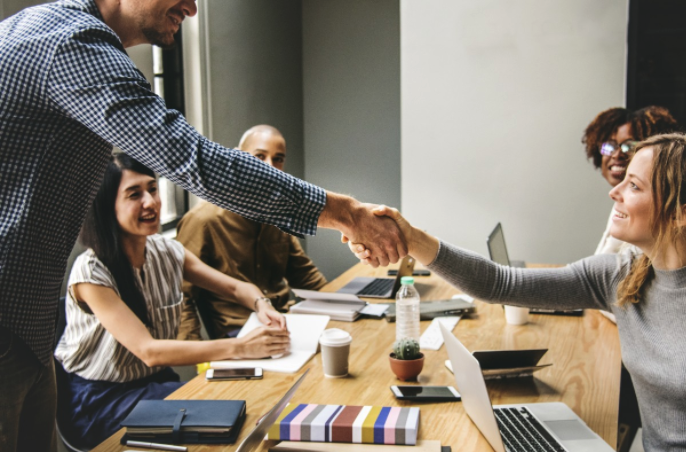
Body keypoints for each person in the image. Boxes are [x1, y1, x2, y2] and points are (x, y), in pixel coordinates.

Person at [0, 1, 404, 450]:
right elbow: (193, 160)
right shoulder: (70, 41)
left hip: (28, 329)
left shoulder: (81, 47)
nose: (193, 7)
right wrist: (346, 213)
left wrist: (258, 302)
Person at [352, 133, 686, 451]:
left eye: (635, 186)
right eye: (623, 180)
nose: (615, 192)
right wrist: (411, 238)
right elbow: (498, 283)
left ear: (680, 214)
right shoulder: (620, 274)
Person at [53, 154, 289, 448]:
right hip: (100, 401)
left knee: (246, 405)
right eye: (134, 194)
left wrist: (261, 304)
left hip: (153, 384)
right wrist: (242, 348)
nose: (150, 202)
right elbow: (149, 351)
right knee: (228, 421)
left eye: (152, 189)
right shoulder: (90, 273)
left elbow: (236, 289)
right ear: (105, 207)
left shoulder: (166, 250)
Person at [176, 125, 327, 340]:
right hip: (237, 335)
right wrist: (196, 353)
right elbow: (181, 295)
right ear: (238, 157)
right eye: (259, 156)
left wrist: (344, 309)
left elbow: (305, 276)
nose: (270, 167)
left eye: (278, 159)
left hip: (286, 323)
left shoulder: (277, 213)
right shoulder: (203, 220)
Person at [582, 106, 678, 254]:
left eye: (630, 146)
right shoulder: (619, 205)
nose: (617, 154)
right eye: (609, 146)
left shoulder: (645, 224)